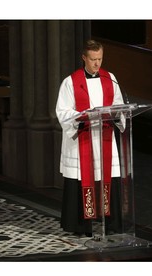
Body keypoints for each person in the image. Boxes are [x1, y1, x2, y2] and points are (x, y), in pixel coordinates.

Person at [55, 39, 125, 237]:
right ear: (84, 58)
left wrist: (117, 115)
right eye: (93, 59)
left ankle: (111, 225)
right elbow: (62, 111)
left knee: (108, 177)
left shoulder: (110, 78)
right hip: (83, 138)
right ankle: (80, 226)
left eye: (100, 59)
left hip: (104, 137)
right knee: (81, 179)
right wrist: (81, 117)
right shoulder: (71, 82)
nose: (97, 64)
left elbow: (119, 104)